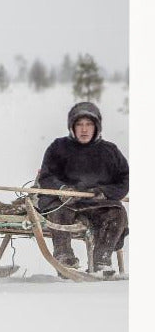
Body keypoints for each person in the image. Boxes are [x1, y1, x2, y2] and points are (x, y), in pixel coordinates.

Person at [36, 101, 129, 273]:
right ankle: (64, 257)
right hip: (64, 202)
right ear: (72, 126)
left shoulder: (110, 151)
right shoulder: (58, 147)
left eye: (89, 124)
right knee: (58, 212)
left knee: (117, 214)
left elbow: (124, 180)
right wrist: (62, 189)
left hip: (98, 203)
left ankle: (101, 260)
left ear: (97, 127)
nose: (84, 129)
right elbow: (46, 176)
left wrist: (104, 192)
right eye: (79, 124)